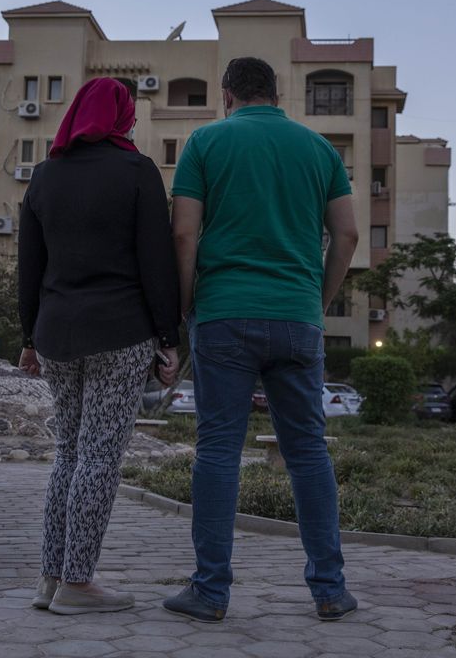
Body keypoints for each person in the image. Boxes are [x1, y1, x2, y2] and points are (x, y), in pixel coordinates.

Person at [163, 57, 360, 623]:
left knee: (219, 450)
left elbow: (183, 232)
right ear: (278, 94)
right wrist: (315, 306)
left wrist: (184, 306)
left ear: (227, 95)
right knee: (307, 452)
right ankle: (330, 589)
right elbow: (345, 234)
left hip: (224, 314)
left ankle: (210, 592)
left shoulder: (205, 142)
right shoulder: (320, 150)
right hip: (298, 317)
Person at [18, 77, 180, 615]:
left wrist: (27, 337)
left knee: (67, 452)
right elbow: (157, 262)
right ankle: (79, 582)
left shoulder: (43, 176)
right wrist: (169, 338)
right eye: (128, 114)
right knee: (100, 458)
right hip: (121, 332)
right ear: (118, 116)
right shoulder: (137, 171)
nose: (132, 122)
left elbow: (30, 269)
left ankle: (50, 577)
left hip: (57, 332)